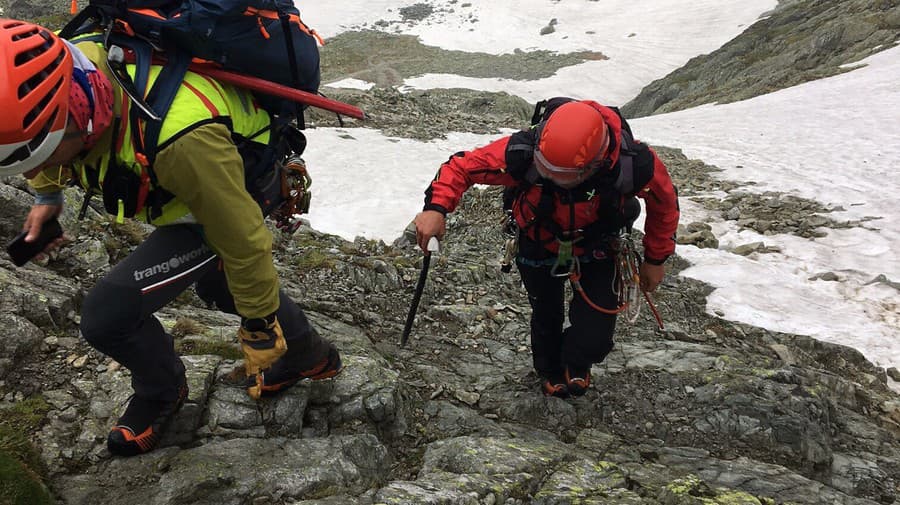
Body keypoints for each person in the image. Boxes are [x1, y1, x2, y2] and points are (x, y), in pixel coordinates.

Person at [0, 19, 342, 456]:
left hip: (229, 192)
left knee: (107, 316)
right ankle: (308, 354)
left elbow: (242, 237)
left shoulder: (183, 140)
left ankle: (162, 391)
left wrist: (258, 329)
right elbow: (37, 133)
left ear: (86, 119)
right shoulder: (76, 67)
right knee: (217, 281)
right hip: (196, 184)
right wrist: (47, 196)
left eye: (40, 156)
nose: (28, 172)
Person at [414, 98, 679, 398]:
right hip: (538, 242)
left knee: (597, 336)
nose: (550, 176)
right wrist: (436, 208)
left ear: (597, 162)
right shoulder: (523, 151)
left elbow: (664, 202)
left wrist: (656, 259)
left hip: (599, 246)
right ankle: (550, 369)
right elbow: (461, 167)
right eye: (545, 168)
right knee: (546, 312)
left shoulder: (633, 163)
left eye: (563, 175)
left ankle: (578, 360)